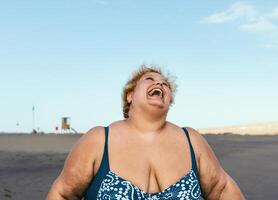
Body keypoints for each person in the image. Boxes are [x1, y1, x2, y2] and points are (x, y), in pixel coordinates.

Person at [46, 65, 245, 200]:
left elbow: (222, 190)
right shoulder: (99, 139)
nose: (160, 84)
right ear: (130, 95)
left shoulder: (191, 140)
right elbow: (62, 194)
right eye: (150, 79)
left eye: (165, 84)